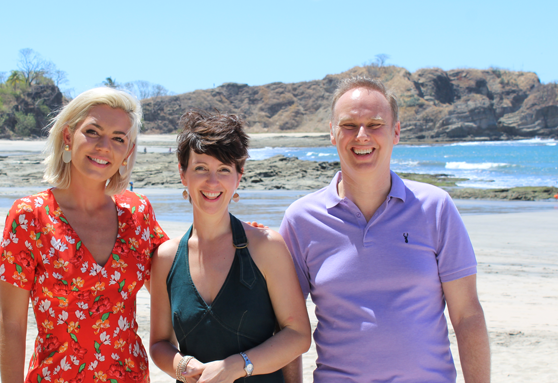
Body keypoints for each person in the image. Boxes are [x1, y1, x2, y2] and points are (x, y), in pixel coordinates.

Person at [279, 77, 490, 382]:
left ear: (396, 132)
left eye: (375, 124)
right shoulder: (301, 219)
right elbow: (288, 325)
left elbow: (467, 315)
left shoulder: (436, 207)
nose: (361, 136)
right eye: (349, 125)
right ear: (332, 133)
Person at [0, 87, 168, 383]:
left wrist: (234, 237)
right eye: (93, 132)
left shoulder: (138, 212)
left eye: (118, 138)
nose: (104, 146)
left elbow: (175, 288)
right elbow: (12, 324)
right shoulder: (30, 216)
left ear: (128, 152)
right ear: (68, 137)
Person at [150, 110, 311, 382]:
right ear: (183, 173)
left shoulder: (266, 247)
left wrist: (236, 366)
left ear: (239, 176)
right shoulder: (166, 257)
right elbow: (159, 344)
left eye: (224, 169)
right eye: (201, 168)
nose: (212, 181)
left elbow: (298, 335)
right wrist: (182, 366)